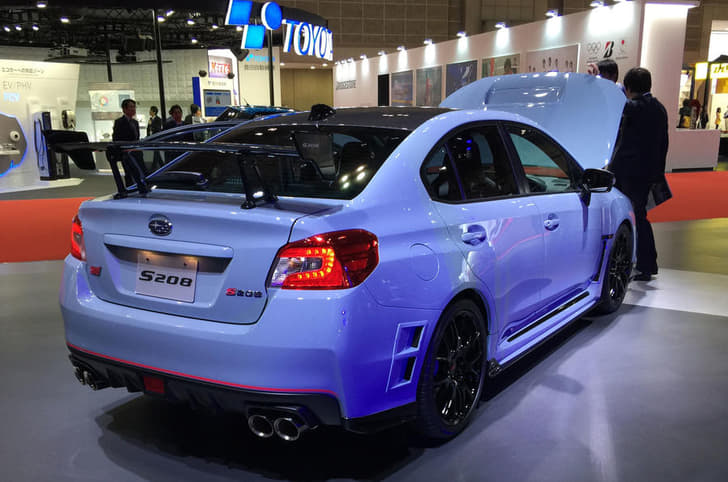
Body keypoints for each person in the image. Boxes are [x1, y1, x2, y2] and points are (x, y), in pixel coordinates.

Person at [609, 67, 668, 282]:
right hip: (647, 173)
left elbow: (617, 104)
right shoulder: (659, 108)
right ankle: (645, 263)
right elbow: (663, 144)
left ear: (629, 87)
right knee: (639, 216)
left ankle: (642, 263)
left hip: (628, 173)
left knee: (631, 217)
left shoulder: (634, 108)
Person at [112, 98, 143, 186]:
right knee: (129, 173)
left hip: (136, 152)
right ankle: (129, 189)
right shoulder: (119, 122)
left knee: (138, 172)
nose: (133, 109)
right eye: (131, 107)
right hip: (126, 153)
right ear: (124, 109)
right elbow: (116, 138)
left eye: (134, 107)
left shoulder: (135, 122)